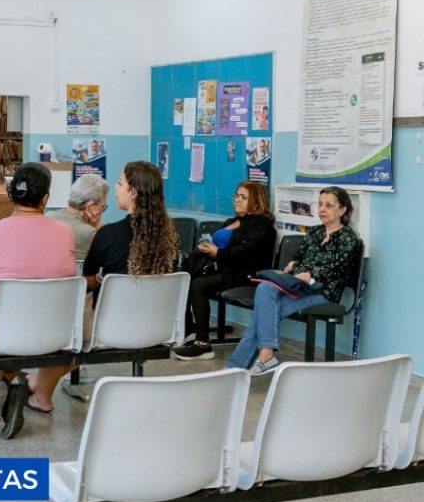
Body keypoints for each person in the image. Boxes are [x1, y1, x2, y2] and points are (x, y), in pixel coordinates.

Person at [26, 160, 178, 412]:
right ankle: (38, 384)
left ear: (133, 192)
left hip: (108, 326)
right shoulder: (169, 234)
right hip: (156, 325)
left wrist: (99, 228)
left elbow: (88, 279)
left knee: (63, 318)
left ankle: (40, 389)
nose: (116, 189)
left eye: (120, 183)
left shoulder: (109, 235)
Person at [0, 162, 75, 438]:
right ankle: (14, 387)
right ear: (45, 199)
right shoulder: (65, 232)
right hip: (51, 333)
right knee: (24, 336)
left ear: (11, 194)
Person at [226, 186, 360, 375]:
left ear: (342, 210)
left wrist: (309, 272)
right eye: (320, 204)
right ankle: (263, 357)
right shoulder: (315, 233)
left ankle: (235, 368)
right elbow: (297, 260)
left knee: (263, 313)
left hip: (323, 292)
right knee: (265, 288)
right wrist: (298, 268)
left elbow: (335, 268)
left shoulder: (348, 238)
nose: (322, 209)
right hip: (299, 286)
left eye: (329, 205)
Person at [174, 181, 276, 360]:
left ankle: (202, 344)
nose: (237, 199)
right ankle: (189, 329)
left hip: (244, 274)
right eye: (236, 195)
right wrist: (208, 248)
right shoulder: (233, 221)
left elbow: (248, 254)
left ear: (256, 200)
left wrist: (218, 253)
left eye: (243, 197)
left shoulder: (262, 225)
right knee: (185, 277)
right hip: (224, 268)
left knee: (198, 285)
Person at [48, 173, 109, 259]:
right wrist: (98, 224)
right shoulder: (89, 233)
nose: (101, 211)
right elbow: (113, 254)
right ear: (90, 206)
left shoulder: (48, 217)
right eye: (102, 207)